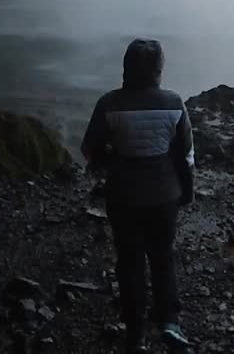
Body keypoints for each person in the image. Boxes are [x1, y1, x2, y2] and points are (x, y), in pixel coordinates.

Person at [82, 39, 194, 352]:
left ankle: (135, 333)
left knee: (129, 262)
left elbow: (89, 149)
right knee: (162, 257)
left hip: (124, 196)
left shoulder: (109, 104)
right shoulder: (174, 103)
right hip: (165, 196)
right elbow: (184, 155)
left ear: (126, 68)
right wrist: (187, 191)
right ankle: (170, 322)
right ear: (159, 69)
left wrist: (113, 161)